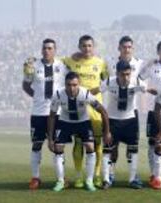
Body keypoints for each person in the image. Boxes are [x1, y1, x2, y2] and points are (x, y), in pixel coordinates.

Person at [47, 72, 111, 192]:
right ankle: (60, 181)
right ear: (65, 85)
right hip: (65, 121)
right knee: (58, 148)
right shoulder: (58, 95)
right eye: (69, 85)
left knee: (90, 146)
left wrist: (107, 132)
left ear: (79, 84)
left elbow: (103, 111)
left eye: (74, 85)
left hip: (83, 121)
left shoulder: (86, 94)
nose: (72, 88)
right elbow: (51, 116)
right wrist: (50, 139)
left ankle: (89, 181)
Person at [62, 35, 109, 188]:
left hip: (95, 108)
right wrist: (70, 56)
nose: (86, 49)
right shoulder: (72, 61)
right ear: (79, 47)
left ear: (93, 46)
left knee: (96, 143)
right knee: (78, 142)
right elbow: (56, 61)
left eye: (89, 45)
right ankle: (78, 176)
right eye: (83, 46)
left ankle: (96, 175)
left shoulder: (101, 63)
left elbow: (106, 80)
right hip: (78, 108)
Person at [22, 38, 68, 190]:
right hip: (38, 113)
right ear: (41, 50)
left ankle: (61, 178)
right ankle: (36, 178)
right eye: (44, 48)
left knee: (58, 147)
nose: (47, 51)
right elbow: (25, 85)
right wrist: (36, 97)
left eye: (50, 48)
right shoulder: (33, 66)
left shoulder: (62, 66)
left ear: (55, 50)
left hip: (57, 113)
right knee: (36, 145)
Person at [99, 60, 152, 189]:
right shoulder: (109, 82)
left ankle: (132, 179)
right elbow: (97, 89)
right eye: (123, 74)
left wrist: (156, 91)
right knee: (108, 150)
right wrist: (85, 94)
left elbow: (147, 89)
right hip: (112, 120)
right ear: (117, 74)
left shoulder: (135, 81)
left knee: (133, 150)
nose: (126, 77)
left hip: (130, 121)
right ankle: (106, 179)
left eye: (128, 74)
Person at [137, 40, 161, 184]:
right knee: (153, 141)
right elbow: (139, 78)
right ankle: (153, 173)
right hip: (154, 109)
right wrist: (146, 89)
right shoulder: (152, 67)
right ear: (158, 52)